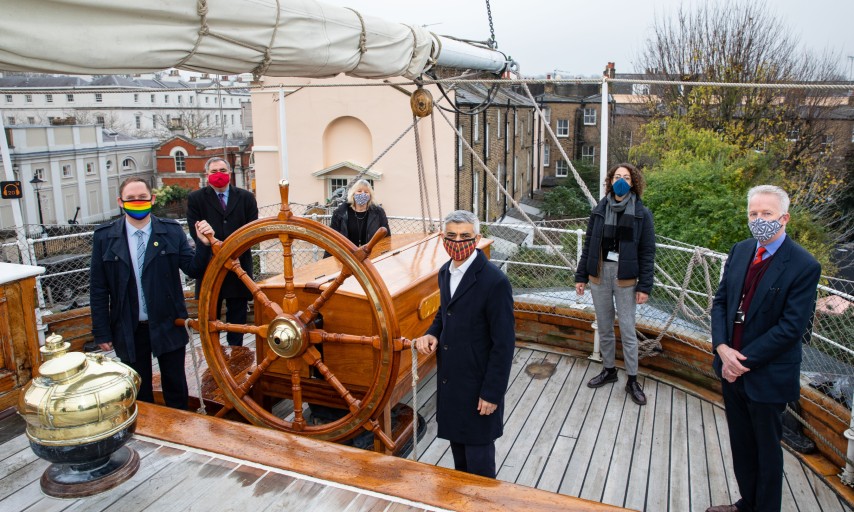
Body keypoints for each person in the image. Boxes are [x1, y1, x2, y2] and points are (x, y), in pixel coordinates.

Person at [706, 185, 821, 512]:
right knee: (742, 447)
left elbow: (791, 327)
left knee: (767, 453)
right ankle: (746, 504)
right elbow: (721, 302)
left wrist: (742, 360)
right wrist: (722, 348)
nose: (759, 220)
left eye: (766, 214)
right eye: (753, 214)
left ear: (784, 218)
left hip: (766, 376)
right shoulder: (740, 250)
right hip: (731, 372)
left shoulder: (803, 265)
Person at [90, 177, 214, 410]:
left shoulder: (171, 231)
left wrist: (203, 245)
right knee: (139, 388)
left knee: (175, 386)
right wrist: (101, 331)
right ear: (120, 202)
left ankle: (180, 430)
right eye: (131, 199)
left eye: (142, 198)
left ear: (152, 199)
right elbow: (98, 288)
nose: (137, 203)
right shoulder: (104, 237)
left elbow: (193, 269)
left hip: (168, 321)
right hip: (128, 326)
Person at [413, 210, 515, 479]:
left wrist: (492, 393)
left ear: (477, 238)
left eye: (465, 236)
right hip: (452, 381)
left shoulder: (495, 282)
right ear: (442, 238)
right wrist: (432, 332)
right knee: (460, 461)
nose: (458, 242)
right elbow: (444, 312)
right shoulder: (445, 272)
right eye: (451, 236)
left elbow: (504, 344)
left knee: (479, 465)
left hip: (479, 385)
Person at [574, 163, 656, 406]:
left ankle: (632, 379)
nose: (621, 180)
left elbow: (647, 251)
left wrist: (645, 286)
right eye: (617, 177)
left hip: (626, 278)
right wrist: (581, 276)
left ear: (633, 183)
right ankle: (609, 370)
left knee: (628, 330)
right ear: (610, 181)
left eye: (626, 177)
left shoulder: (642, 213)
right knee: (605, 326)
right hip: (599, 275)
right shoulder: (599, 210)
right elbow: (589, 246)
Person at [186, 157, 258, 346]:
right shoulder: (196, 199)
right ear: (207, 175)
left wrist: (230, 249)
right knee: (210, 322)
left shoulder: (246, 198)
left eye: (223, 171)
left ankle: (237, 357)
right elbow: (196, 232)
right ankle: (213, 359)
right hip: (210, 267)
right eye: (215, 171)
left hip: (238, 267)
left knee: (238, 323)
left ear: (230, 173)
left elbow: (253, 231)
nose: (219, 175)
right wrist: (214, 246)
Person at [329, 179, 390, 247]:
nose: (362, 194)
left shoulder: (378, 212)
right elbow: (331, 238)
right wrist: (328, 257)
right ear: (353, 194)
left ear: (370, 195)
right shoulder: (340, 212)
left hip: (372, 254)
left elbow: (386, 237)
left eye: (366, 192)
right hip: (347, 254)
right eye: (359, 191)